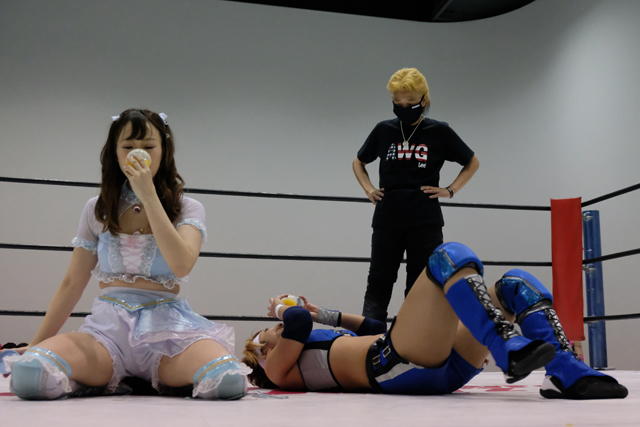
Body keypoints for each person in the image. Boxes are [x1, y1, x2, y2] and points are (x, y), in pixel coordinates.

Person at [1, 109, 249, 400]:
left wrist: (148, 195)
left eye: (148, 146)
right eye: (128, 146)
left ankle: (141, 380)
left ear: (164, 151)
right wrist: (36, 343)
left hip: (168, 333)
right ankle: (95, 380)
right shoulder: (97, 207)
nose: (137, 154)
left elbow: (182, 265)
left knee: (227, 380)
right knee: (29, 374)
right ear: (115, 152)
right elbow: (72, 283)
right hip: (107, 333)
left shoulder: (188, 207)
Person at [242, 242, 628, 399]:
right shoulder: (277, 369)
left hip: (429, 363)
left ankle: (566, 373)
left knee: (514, 284)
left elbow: (374, 328)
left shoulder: (311, 346)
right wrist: (278, 308)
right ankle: (505, 345)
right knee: (448, 256)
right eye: (269, 333)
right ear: (260, 353)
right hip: (394, 367)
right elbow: (296, 324)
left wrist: (324, 313)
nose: (277, 330)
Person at [353, 68, 480, 323]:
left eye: (410, 102)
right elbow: (359, 162)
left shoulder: (439, 131)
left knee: (420, 283)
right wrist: (368, 189)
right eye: (397, 102)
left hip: (425, 219)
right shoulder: (383, 130)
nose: (403, 107)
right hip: (388, 217)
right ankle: (370, 340)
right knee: (379, 280)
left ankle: (411, 339)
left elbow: (472, 162)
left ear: (424, 99)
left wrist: (450, 190)